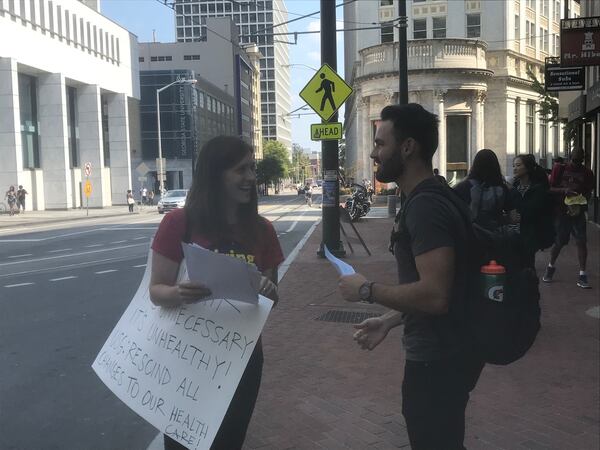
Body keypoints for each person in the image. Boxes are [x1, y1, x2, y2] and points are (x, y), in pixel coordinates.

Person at [338, 104, 484, 449]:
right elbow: (445, 284)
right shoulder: (435, 195)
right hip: (450, 351)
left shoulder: (425, 208)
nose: (374, 153)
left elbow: (435, 295)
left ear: (407, 147)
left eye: (380, 144)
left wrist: (366, 290)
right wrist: (390, 320)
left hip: (437, 358)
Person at [149, 136, 284, 450]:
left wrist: (268, 290)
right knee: (183, 444)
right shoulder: (177, 223)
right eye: (241, 170)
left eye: (252, 168)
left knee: (229, 442)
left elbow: (273, 298)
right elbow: (156, 291)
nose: (251, 177)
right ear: (215, 174)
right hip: (188, 358)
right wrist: (179, 293)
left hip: (242, 360)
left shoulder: (263, 230)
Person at [542, 148, 595, 288]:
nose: (576, 163)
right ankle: (550, 267)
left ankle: (582, 274)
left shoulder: (588, 173)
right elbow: (549, 189)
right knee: (560, 241)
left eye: (579, 160)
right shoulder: (560, 169)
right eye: (574, 160)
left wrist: (581, 205)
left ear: (583, 159)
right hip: (561, 211)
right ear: (569, 157)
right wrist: (564, 191)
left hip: (577, 211)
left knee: (581, 241)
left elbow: (589, 192)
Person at [454, 149, 518, 232]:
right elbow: (513, 218)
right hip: (495, 235)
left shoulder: (464, 186)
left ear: (475, 165)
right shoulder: (502, 188)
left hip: (471, 235)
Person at [511, 154, 553, 270]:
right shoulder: (514, 186)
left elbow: (529, 211)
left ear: (528, 167)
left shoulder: (538, 189)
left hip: (529, 235)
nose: (514, 168)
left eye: (518, 165)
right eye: (513, 165)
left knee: (527, 268)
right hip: (513, 234)